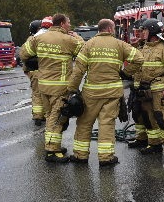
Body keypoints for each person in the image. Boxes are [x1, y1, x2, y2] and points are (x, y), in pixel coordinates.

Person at [65, 19, 144, 166]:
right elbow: (139, 58)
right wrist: (126, 73)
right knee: (107, 124)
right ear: (109, 29)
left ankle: (80, 156)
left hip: (91, 93)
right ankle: (106, 158)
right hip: (112, 93)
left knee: (84, 123)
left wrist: (71, 89)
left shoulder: (88, 45)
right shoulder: (119, 44)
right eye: (113, 28)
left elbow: (78, 71)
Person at [20, 13, 84, 163]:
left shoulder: (38, 38)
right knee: (57, 119)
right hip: (60, 88)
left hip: (43, 86)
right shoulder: (68, 40)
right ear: (62, 24)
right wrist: (77, 36)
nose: (70, 25)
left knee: (49, 116)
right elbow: (84, 51)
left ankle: (54, 147)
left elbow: (23, 53)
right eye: (68, 23)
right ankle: (51, 151)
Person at [133, 18, 164, 159]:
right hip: (145, 90)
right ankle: (154, 144)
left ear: (153, 31)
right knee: (149, 118)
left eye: (145, 30)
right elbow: (138, 68)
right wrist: (136, 86)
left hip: (159, 90)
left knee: (162, 117)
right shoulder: (144, 47)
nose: (142, 32)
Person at [126, 17, 149, 148]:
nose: (138, 34)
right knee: (137, 113)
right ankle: (141, 138)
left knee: (152, 115)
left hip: (148, 86)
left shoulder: (153, 47)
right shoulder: (139, 46)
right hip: (137, 85)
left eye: (140, 31)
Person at [22, 19, 45, 125]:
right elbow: (24, 55)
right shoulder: (36, 39)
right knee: (40, 93)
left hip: (34, 70)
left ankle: (39, 115)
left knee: (37, 93)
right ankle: (39, 116)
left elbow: (23, 55)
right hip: (38, 70)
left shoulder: (32, 39)